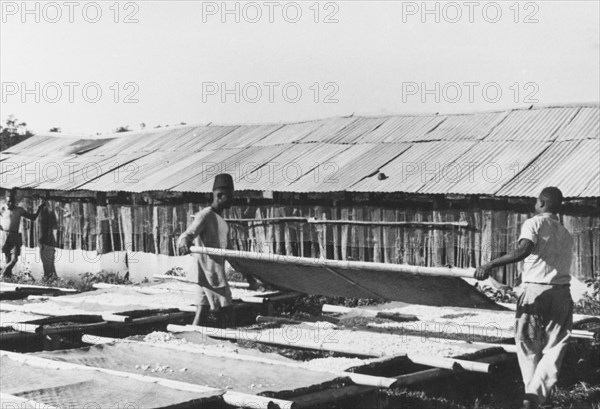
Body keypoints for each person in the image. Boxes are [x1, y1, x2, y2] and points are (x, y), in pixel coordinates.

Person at [475, 187, 573, 409]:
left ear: (541, 202)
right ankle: (534, 397)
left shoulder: (534, 223)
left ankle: (531, 395)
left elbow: (524, 250)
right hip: (561, 293)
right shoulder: (566, 234)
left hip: (535, 293)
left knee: (528, 346)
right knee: (554, 348)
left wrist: (490, 264)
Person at [177, 174, 236, 327]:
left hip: (211, 273)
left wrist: (249, 274)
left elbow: (230, 253)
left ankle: (193, 340)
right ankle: (230, 344)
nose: (232, 200)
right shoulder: (205, 215)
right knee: (227, 311)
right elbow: (189, 233)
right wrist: (184, 241)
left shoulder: (222, 222)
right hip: (210, 273)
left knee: (202, 311)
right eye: (229, 196)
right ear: (219, 195)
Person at [0, 189, 45, 279]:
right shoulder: (3, 208)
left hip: (15, 236)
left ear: (14, 202)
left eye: (12, 202)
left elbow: (32, 218)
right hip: (5, 236)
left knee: (14, 259)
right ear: (6, 201)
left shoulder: (19, 210)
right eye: (8, 202)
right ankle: (6, 277)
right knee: (7, 259)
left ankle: (2, 273)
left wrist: (39, 208)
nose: (10, 204)